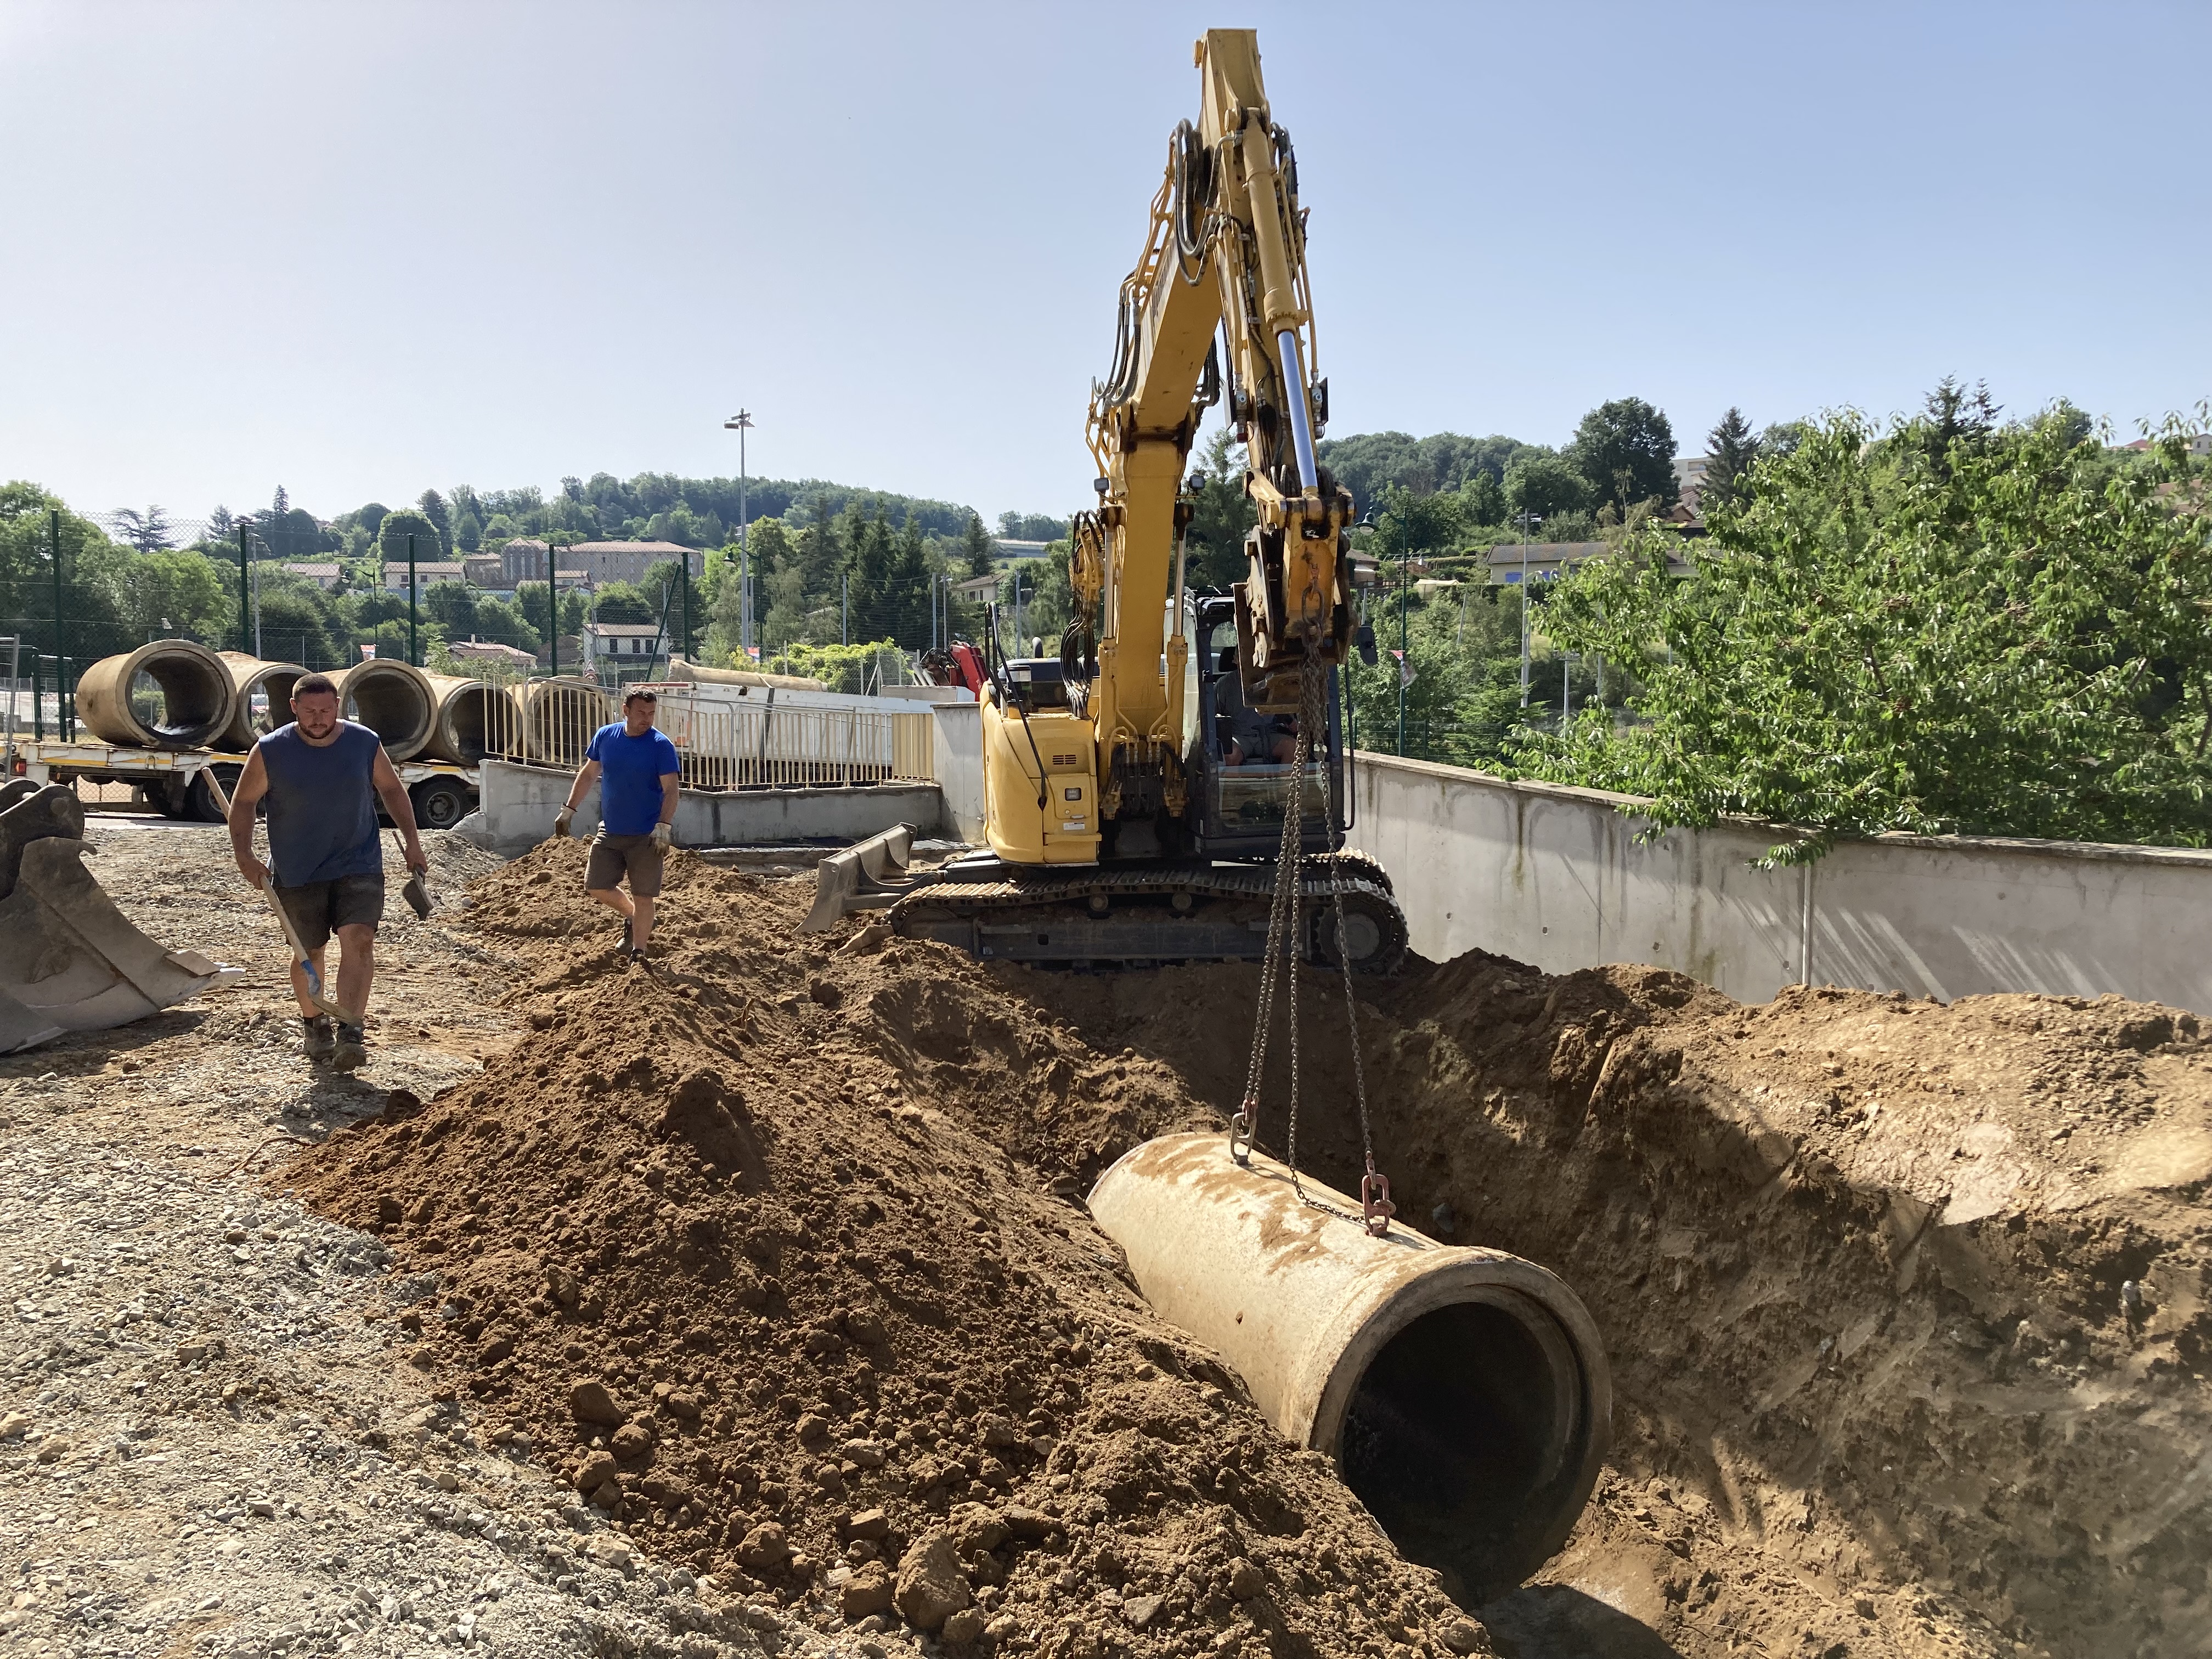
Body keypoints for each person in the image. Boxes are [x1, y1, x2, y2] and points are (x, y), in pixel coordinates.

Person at [228, 672, 427, 1071]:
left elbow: (391, 790)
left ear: (338, 706)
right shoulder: (271, 750)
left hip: (359, 862)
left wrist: (413, 842)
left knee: (360, 940)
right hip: (298, 869)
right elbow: (245, 802)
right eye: (310, 712)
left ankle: (351, 1030)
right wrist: (245, 855)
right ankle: (315, 1023)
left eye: (326, 710)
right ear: (294, 709)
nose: (318, 719)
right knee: (310, 951)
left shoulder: (363, 743)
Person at [555, 687, 681, 962]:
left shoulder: (660, 746)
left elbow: (671, 790)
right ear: (625, 710)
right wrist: (569, 810)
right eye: (640, 713)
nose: (646, 719)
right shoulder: (606, 736)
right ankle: (634, 917)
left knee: (644, 894)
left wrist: (664, 827)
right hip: (610, 830)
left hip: (646, 836)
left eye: (651, 714)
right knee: (595, 885)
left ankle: (638, 951)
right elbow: (589, 774)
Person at [1216, 646, 1297, 765]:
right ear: (1235, 660)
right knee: (1230, 755)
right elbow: (1212, 716)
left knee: (1293, 748)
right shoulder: (1223, 686)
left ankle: (1283, 783)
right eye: (1242, 657)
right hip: (1239, 737)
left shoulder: (1271, 680)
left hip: (1268, 734)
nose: (1247, 661)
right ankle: (1239, 784)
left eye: (1250, 658)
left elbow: (1281, 710)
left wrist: (1291, 722)